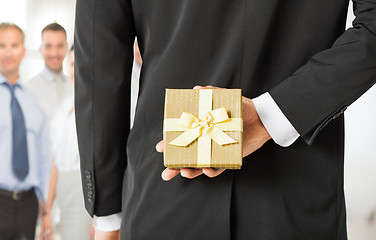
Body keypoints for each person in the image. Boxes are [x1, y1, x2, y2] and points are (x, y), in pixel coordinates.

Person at [74, 0, 376, 239]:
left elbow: (98, 62)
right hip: (299, 194)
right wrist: (275, 114)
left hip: (163, 187)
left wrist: (108, 213)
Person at [0, 22, 51, 240]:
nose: (8, 52)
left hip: (29, 204)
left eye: (14, 45)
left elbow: (43, 157)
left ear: (23, 50)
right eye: (2, 46)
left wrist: (45, 207)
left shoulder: (33, 102)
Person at [40, 46, 92, 240]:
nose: (76, 69)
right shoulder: (62, 109)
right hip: (63, 191)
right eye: (71, 64)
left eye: (80, 62)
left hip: (86, 191)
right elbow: (55, 162)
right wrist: (47, 211)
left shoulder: (98, 107)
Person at [26, 22, 72, 122]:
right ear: (40, 49)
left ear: (66, 47)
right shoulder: (29, 89)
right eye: (48, 46)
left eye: (59, 46)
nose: (54, 53)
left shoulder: (76, 86)